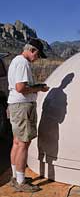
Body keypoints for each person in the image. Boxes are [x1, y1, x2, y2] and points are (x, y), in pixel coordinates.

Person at [7, 38, 49, 192]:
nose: (37, 59)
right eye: (37, 55)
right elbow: (20, 87)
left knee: (17, 142)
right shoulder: (23, 63)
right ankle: (21, 182)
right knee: (24, 144)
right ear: (33, 50)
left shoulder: (15, 61)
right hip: (23, 106)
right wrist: (38, 88)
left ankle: (15, 177)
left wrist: (35, 87)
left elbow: (18, 87)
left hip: (16, 105)